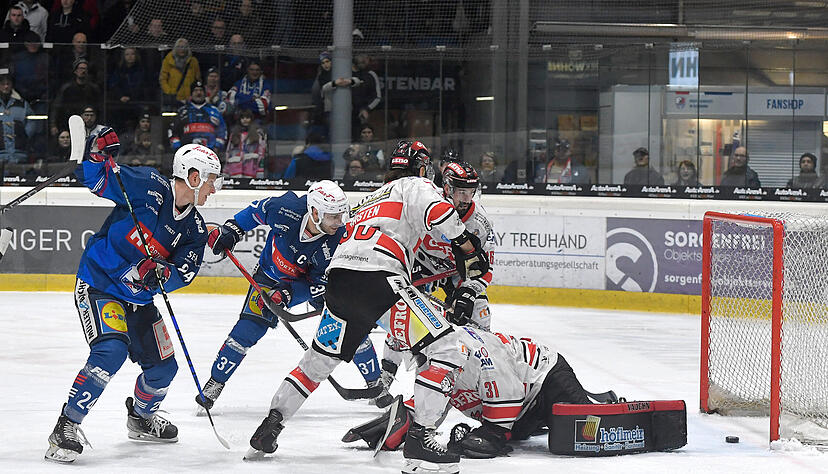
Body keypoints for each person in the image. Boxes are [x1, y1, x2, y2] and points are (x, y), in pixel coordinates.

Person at [244, 140, 490, 474]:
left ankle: (271, 423)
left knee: (316, 363)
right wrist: (466, 246)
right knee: (449, 348)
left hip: (341, 281)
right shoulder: (416, 185)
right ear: (421, 166)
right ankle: (421, 440)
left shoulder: (370, 198)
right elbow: (441, 216)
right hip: (382, 279)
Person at [43, 134, 223, 463]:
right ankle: (66, 425)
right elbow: (93, 177)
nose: (214, 188)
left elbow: (184, 273)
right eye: (212, 180)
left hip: (139, 300)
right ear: (194, 177)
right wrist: (99, 154)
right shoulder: (145, 184)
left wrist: (162, 273)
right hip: (100, 283)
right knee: (110, 351)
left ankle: (141, 417)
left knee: (164, 370)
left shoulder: (195, 228)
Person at [197, 180, 387, 410]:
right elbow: (257, 211)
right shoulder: (286, 208)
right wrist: (232, 230)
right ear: (314, 212)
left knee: (349, 328)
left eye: (341, 215)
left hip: (315, 284)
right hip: (269, 277)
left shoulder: (339, 241)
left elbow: (319, 284)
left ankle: (376, 384)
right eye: (333, 216)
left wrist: (288, 294)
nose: (339, 222)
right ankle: (215, 383)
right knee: (245, 332)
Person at [347, 326, 595, 459]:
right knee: (501, 437)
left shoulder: (474, 351)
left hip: (546, 378)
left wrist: (494, 431)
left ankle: (598, 404)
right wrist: (404, 420)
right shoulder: (432, 356)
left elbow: (507, 387)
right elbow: (436, 395)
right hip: (521, 414)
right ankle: (538, 421)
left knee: (583, 431)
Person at [380, 160, 496, 392]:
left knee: (481, 315)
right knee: (402, 319)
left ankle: (486, 374)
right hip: (421, 269)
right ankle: (384, 380)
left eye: (470, 192)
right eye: (461, 191)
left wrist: (467, 293)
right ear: (448, 188)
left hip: (456, 275)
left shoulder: (480, 222)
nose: (466, 198)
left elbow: (486, 269)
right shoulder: (428, 206)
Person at [168, 81, 227, 156]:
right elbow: (173, 132)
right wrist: (178, 148)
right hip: (187, 154)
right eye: (196, 90)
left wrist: (217, 146)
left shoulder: (214, 111)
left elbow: (222, 130)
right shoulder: (182, 112)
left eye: (201, 90)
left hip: (209, 154)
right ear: (191, 93)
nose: (198, 93)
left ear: (205, 93)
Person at [49, 58, 100, 136]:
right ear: (75, 71)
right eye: (81, 68)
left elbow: (99, 108)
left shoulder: (94, 89)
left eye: (85, 69)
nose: (83, 71)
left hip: (89, 125)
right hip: (68, 124)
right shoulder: (66, 89)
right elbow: (57, 107)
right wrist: (53, 125)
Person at [0, 72, 36, 163]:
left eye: (8, 84)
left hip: (19, 153)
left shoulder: (22, 104)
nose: (6, 87)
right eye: (3, 84)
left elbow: (32, 120)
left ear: (12, 85)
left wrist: (24, 135)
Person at [159, 38, 201, 109]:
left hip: (190, 99)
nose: (182, 49)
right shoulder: (168, 60)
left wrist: (194, 94)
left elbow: (198, 79)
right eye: (179, 47)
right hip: (174, 98)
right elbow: (163, 79)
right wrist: (169, 92)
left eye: (184, 47)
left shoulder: (193, 61)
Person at [224, 109, 266, 178]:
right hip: (235, 167)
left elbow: (261, 151)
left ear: (251, 119)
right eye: (242, 118)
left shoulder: (258, 133)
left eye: (247, 117)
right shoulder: (234, 133)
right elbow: (228, 151)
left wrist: (260, 170)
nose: (245, 120)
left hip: (251, 166)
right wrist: (226, 170)